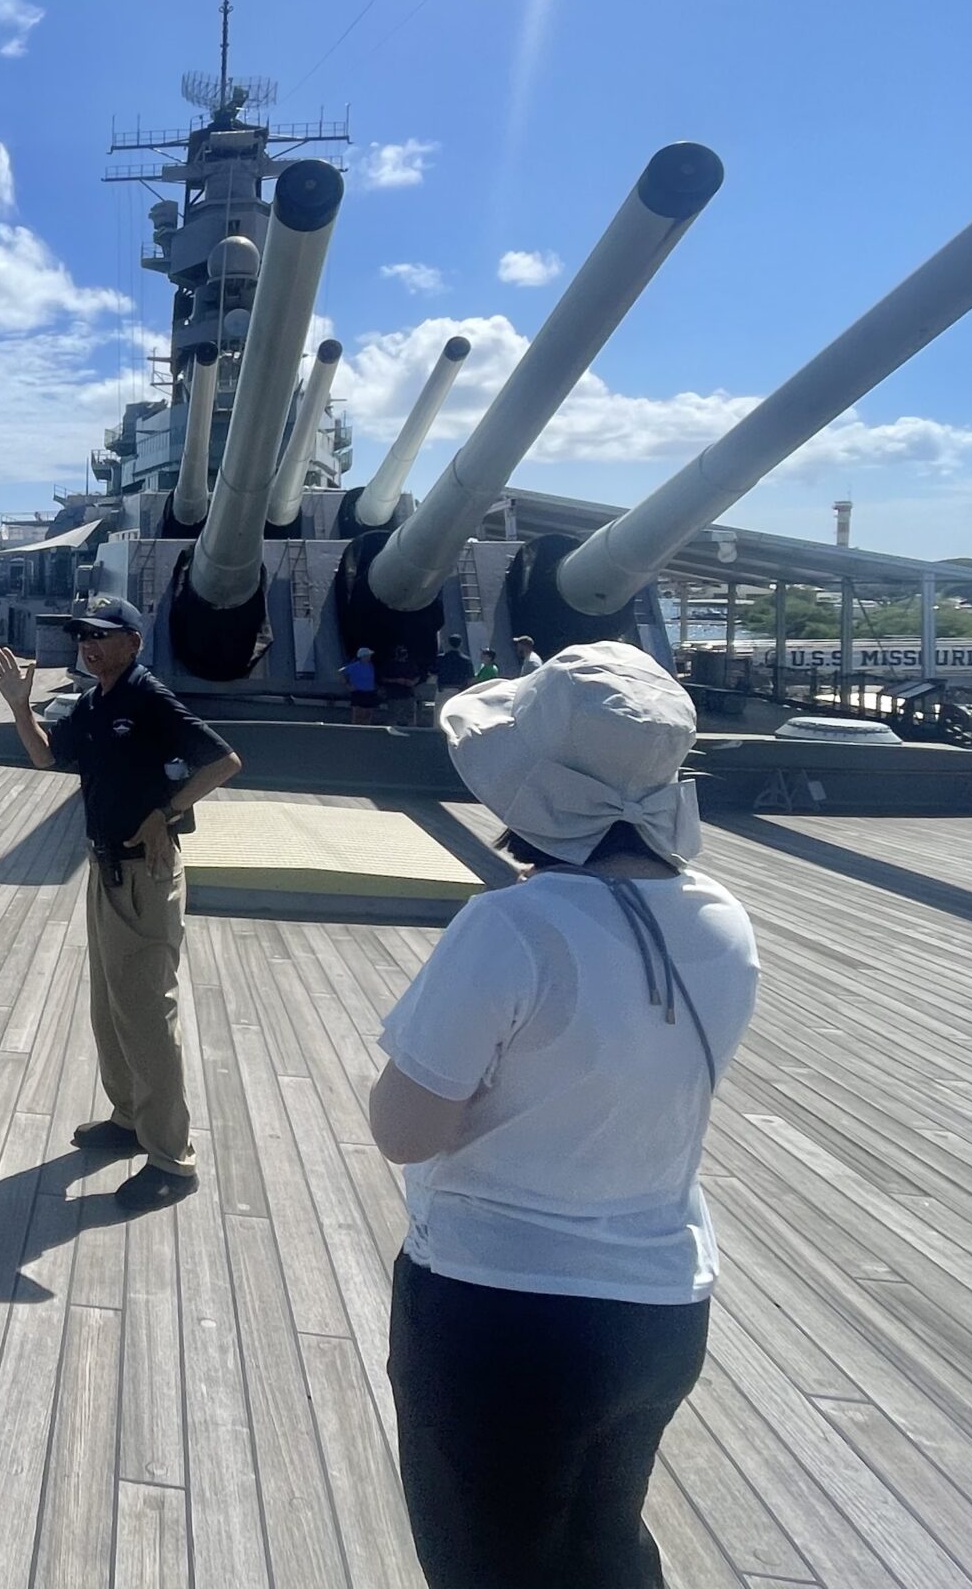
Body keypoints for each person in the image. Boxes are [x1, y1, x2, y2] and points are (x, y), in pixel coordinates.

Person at [367, 641, 759, 1588]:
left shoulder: (512, 926)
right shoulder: (723, 917)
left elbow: (404, 1132)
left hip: (503, 1310)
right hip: (661, 1307)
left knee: (487, 1565)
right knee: (605, 1550)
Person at [0, 597, 240, 1212]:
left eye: (101, 635)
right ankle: (129, 1117)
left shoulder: (148, 696)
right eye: (83, 637)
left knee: (147, 1012)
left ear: (132, 642)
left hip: (144, 874)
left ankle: (172, 1161)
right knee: (110, 1004)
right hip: (106, 870)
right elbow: (46, 754)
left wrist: (166, 813)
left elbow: (222, 762)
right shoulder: (95, 703)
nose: (89, 645)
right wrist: (20, 707)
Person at [433, 634, 476, 712]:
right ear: (460, 644)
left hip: (443, 690)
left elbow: (433, 674)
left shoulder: (441, 658)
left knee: (440, 714)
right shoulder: (466, 660)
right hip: (459, 691)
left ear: (448, 643)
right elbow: (470, 679)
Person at [342, 644, 380, 725]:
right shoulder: (354, 666)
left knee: (368, 713)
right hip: (358, 692)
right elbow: (341, 673)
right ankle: (355, 729)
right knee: (357, 714)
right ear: (363, 656)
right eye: (368, 655)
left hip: (369, 692)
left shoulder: (371, 665)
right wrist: (347, 685)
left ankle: (366, 728)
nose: (370, 657)